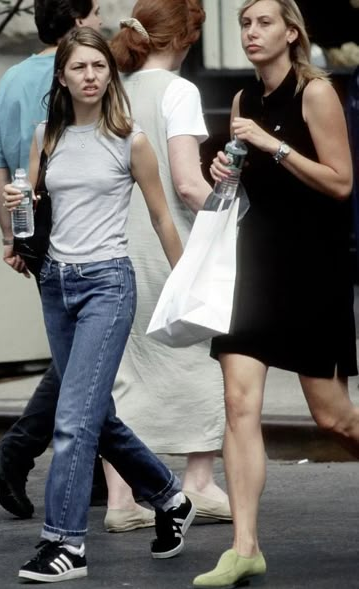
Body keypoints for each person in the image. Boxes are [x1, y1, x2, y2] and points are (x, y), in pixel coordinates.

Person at [3, 27, 195, 584]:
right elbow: (35, 207)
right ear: (61, 75)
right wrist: (18, 216)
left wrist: (185, 284)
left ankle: (65, 543)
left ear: (110, 74)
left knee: (72, 420)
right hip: (55, 286)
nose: (91, 76)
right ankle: (169, 497)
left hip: (108, 287)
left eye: (100, 67)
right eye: (80, 67)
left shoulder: (130, 140)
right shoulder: (46, 136)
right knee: (94, 414)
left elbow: (162, 217)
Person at [193, 1, 359, 587]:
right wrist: (226, 170)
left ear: (291, 32)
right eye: (244, 23)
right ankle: (244, 547)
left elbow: (340, 183)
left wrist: (271, 144)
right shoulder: (243, 102)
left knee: (334, 418)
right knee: (239, 406)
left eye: (263, 22)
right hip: (253, 267)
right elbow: (248, 181)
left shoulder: (316, 93)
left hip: (313, 271)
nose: (251, 33)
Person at [100, 0, 231, 535]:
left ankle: (121, 498)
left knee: (126, 370)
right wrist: (238, 216)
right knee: (200, 351)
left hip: (115, 243)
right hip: (170, 242)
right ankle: (198, 482)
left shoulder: (115, 90)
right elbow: (186, 182)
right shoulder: (181, 91)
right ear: (184, 36)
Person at [0, 0, 104, 520]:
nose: (100, 22)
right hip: (78, 230)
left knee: (78, 350)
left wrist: (11, 236)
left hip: (37, 232)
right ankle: (17, 452)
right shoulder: (84, 72)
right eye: (94, 12)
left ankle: (88, 472)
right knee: (83, 356)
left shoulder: (10, 78)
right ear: (77, 20)